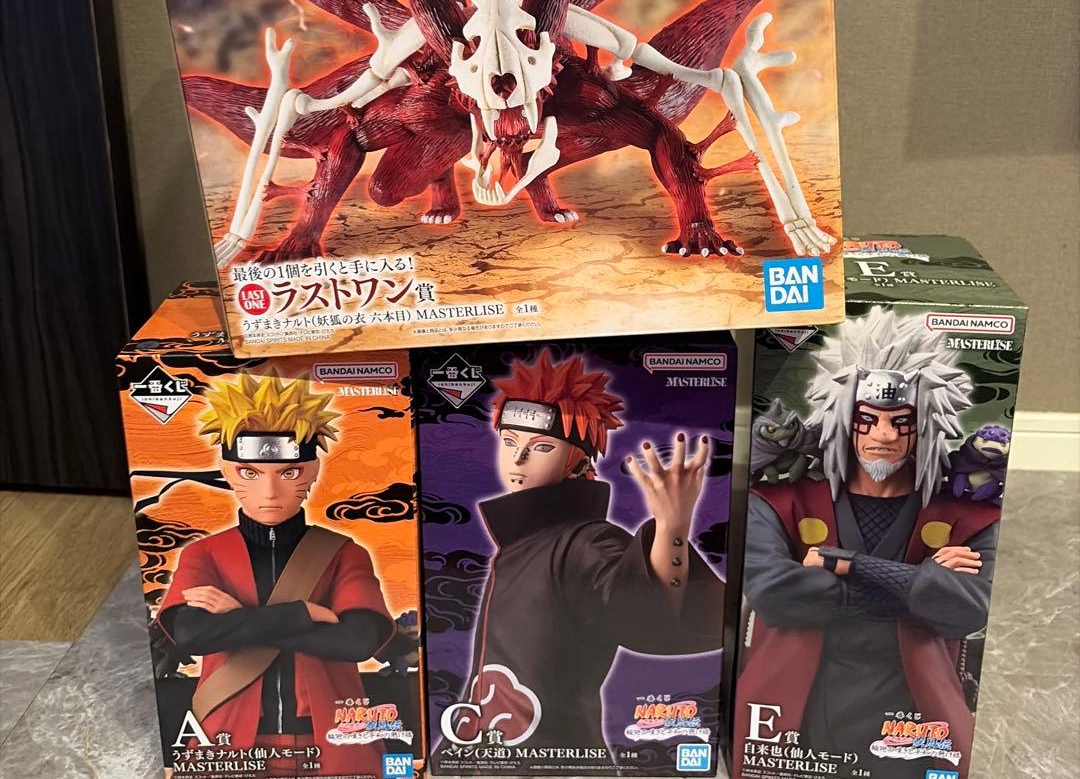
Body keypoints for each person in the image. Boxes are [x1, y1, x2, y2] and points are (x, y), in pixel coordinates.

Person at [735, 308, 1000, 779]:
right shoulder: (779, 499)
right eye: (867, 418)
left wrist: (847, 565)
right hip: (795, 711)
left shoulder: (967, 514)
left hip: (913, 715)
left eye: (902, 421)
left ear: (926, 422)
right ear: (842, 415)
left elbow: (968, 609)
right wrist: (919, 583)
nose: (884, 435)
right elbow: (772, 593)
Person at [443, 349, 725, 757]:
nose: (518, 458)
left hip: (558, 759)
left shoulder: (586, 541)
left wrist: (672, 529)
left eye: (542, 447)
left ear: (577, 461)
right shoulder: (521, 541)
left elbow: (641, 610)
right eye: (509, 441)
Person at [157, 373, 395, 777]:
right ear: (227, 471)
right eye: (250, 472)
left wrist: (238, 619)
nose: (269, 492)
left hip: (334, 738)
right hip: (227, 737)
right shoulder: (204, 553)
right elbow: (192, 634)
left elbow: (358, 641)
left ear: (313, 470)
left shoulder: (343, 552)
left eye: (289, 473)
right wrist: (303, 614)